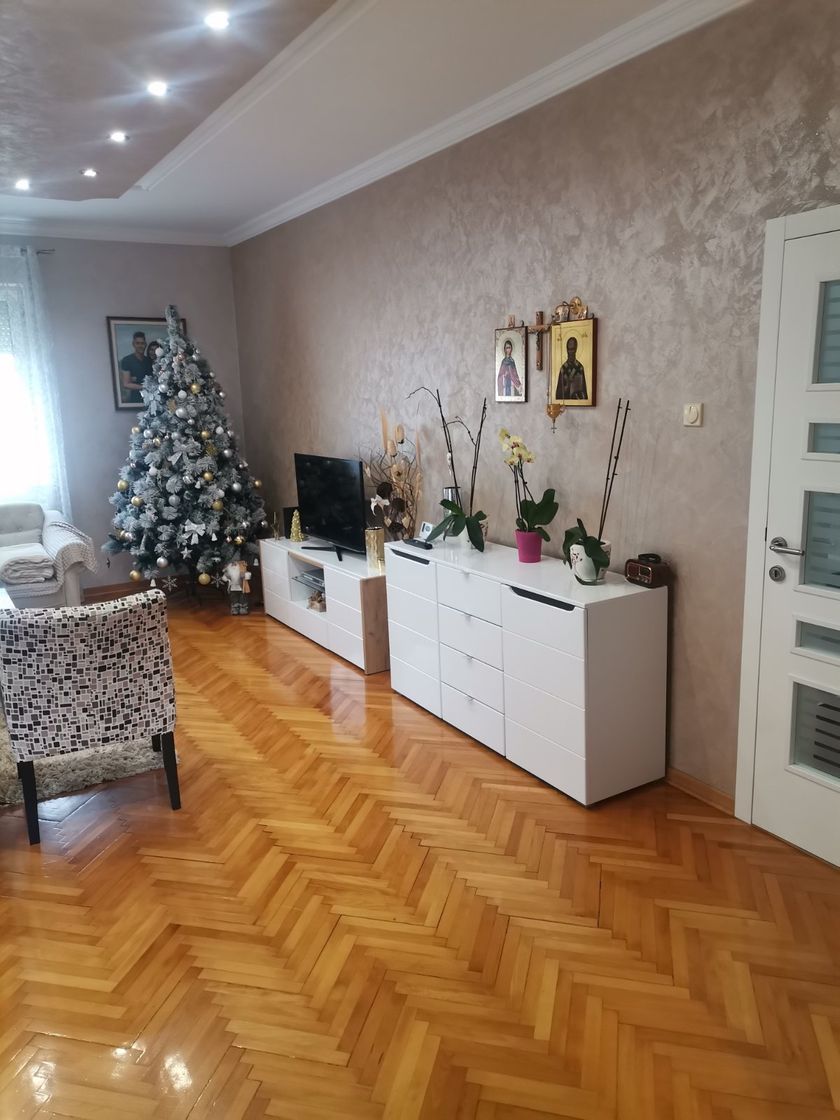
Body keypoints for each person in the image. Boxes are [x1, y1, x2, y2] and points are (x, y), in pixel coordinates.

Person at [119, 330, 154, 404]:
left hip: (151, 400)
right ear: (133, 344)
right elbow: (126, 384)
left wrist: (135, 380)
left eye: (142, 343)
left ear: (145, 344)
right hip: (135, 401)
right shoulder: (127, 360)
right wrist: (145, 387)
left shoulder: (149, 361)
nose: (140, 346)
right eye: (137, 343)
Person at [555, 336, 588, 401]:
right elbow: (558, 394)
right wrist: (566, 387)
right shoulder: (563, 368)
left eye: (572, 349)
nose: (570, 352)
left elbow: (584, 391)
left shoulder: (579, 367)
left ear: (576, 350)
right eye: (569, 349)